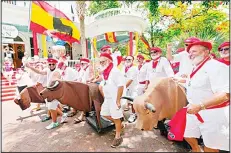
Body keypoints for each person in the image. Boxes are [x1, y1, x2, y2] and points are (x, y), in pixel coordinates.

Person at [184, 41, 229, 152]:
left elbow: (225, 94)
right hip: (193, 110)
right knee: (187, 135)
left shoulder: (217, 67)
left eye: (194, 51)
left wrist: (200, 106)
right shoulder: (195, 67)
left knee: (211, 146)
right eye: (189, 52)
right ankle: (197, 150)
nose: (190, 54)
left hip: (212, 114)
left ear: (205, 52)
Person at [25, 58, 68, 130]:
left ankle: (54, 122)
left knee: (52, 107)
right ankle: (63, 115)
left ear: (55, 64)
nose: (51, 65)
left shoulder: (57, 71)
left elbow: (55, 78)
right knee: (51, 106)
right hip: (49, 91)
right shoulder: (48, 70)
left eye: (53, 64)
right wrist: (30, 67)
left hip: (55, 91)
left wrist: (54, 81)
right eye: (50, 64)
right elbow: (39, 72)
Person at [99, 53, 125, 147]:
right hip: (108, 99)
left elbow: (121, 86)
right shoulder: (106, 72)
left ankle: (118, 137)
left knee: (116, 117)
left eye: (104, 61)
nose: (102, 63)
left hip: (114, 99)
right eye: (100, 62)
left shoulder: (115, 71)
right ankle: (119, 125)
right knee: (104, 114)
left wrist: (118, 100)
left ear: (109, 61)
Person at [73, 58, 94, 123]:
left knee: (84, 101)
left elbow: (93, 76)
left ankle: (82, 115)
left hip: (88, 86)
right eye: (81, 63)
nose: (81, 65)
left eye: (82, 63)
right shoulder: (82, 69)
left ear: (86, 63)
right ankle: (82, 113)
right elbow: (79, 78)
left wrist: (88, 80)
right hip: (82, 86)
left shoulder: (90, 68)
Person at [122, 55, 138, 123]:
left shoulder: (134, 68)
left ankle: (133, 115)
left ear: (132, 61)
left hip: (133, 87)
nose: (127, 60)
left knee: (132, 102)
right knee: (127, 101)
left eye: (129, 59)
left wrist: (123, 88)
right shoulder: (123, 67)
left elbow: (130, 80)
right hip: (126, 87)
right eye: (126, 59)